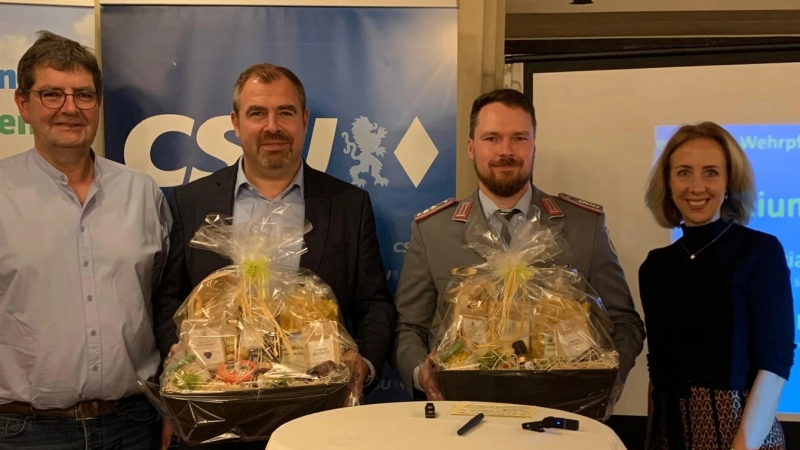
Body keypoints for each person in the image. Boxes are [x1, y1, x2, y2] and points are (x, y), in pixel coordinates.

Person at [152, 63, 396, 449]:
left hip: (319, 415)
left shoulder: (349, 204)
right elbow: (169, 298)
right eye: (257, 113)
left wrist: (361, 366)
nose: (272, 127)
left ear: (304, 120)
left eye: (285, 112)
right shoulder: (191, 202)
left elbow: (373, 303)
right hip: (215, 414)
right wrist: (178, 358)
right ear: (235, 122)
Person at [391, 88, 645, 402]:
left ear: (534, 146)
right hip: (462, 409)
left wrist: (600, 380)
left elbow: (624, 323)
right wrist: (422, 373)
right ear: (471, 147)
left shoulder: (583, 226)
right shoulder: (433, 230)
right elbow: (408, 328)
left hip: (561, 409)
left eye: (519, 138)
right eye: (492, 138)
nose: (506, 151)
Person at [0, 31, 170, 449]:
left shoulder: (142, 193)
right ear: (23, 104)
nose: (70, 108)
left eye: (84, 95)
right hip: (26, 432)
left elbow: (164, 300)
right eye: (52, 94)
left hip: (134, 424)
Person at [640, 122, 795, 450]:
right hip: (669, 436)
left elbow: (775, 361)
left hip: (743, 438)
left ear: (729, 183)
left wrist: (741, 447)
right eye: (684, 172)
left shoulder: (759, 252)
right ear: (668, 182)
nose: (696, 187)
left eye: (710, 172)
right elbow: (659, 373)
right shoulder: (655, 266)